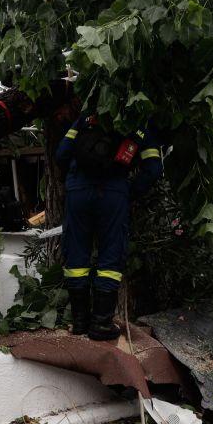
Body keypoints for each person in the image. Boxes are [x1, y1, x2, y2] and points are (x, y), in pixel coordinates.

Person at [55, 115, 163, 340]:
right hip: (114, 192)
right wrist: (128, 193)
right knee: (111, 258)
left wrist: (76, 180)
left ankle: (80, 322)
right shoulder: (140, 122)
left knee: (76, 255)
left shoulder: (87, 117)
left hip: (78, 190)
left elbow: (62, 154)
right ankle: (101, 324)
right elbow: (152, 169)